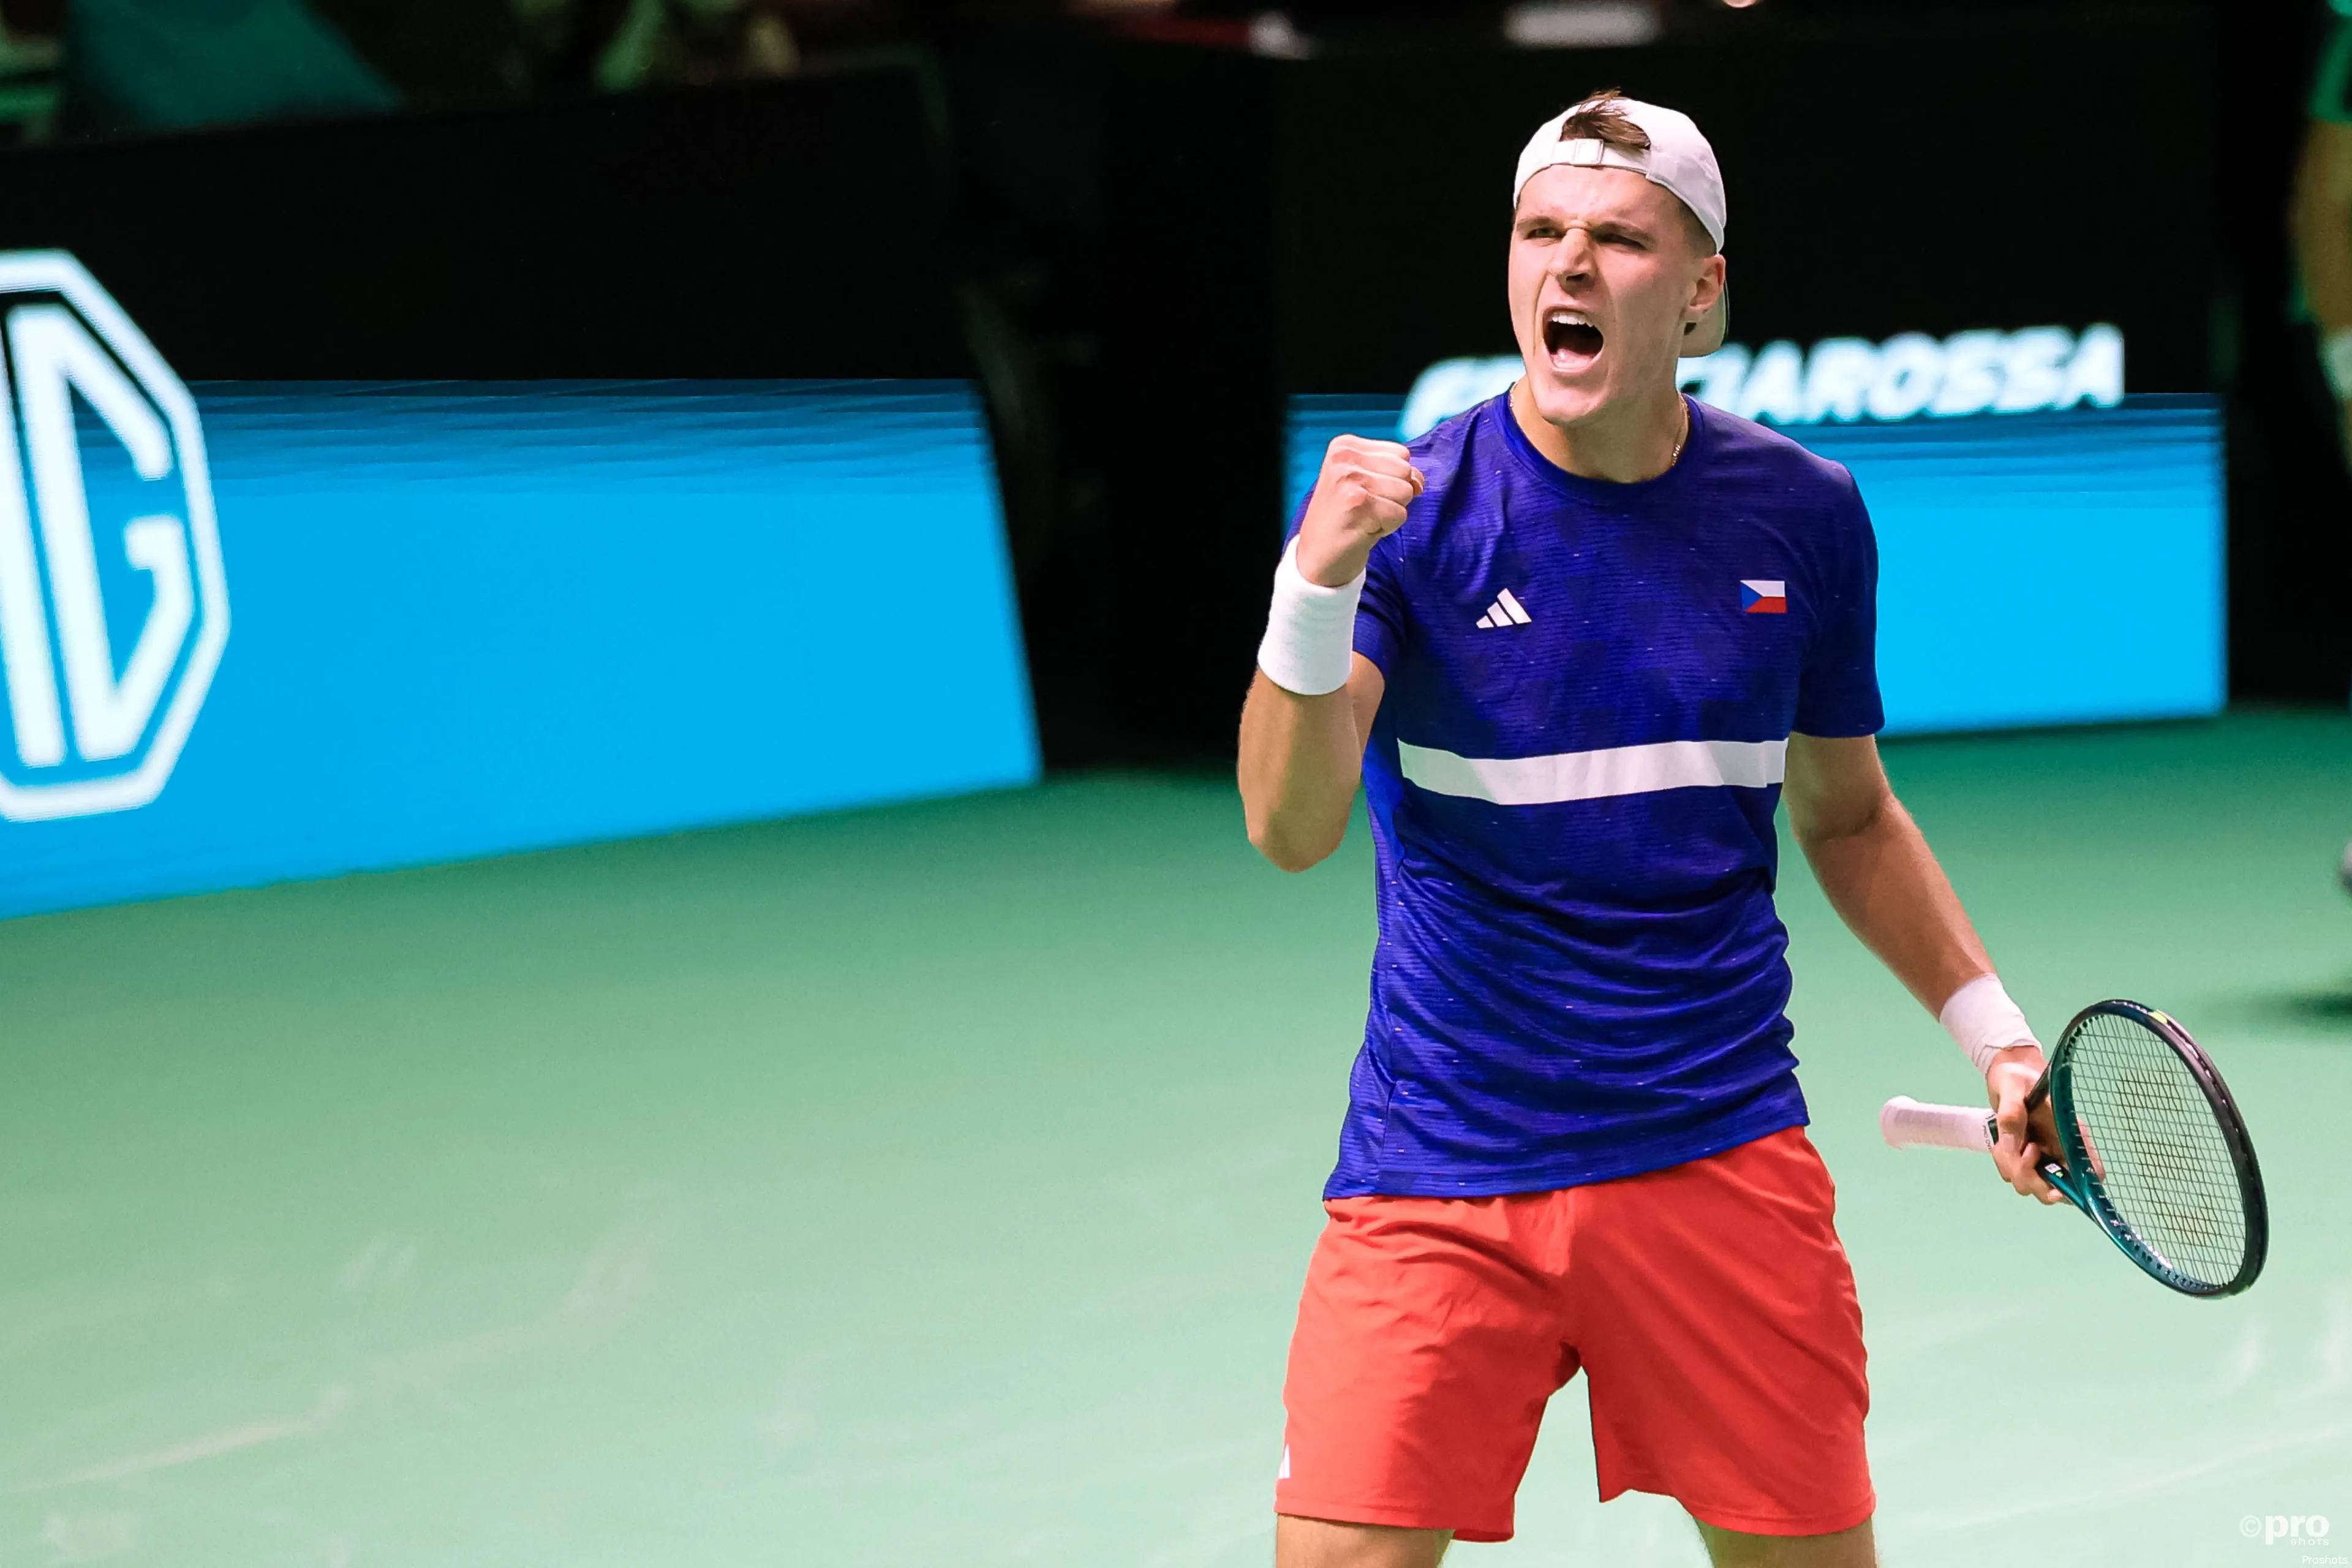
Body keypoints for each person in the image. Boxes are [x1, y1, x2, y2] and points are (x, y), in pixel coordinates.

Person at [1236, 90, 2062, 1568]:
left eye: (1616, 239)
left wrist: (1998, 1036)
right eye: (1538, 231)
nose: (1566, 266)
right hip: (1442, 1160)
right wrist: (1312, 589)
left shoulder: (1801, 514)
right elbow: (1289, 826)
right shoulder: (1417, 516)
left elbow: (1852, 816)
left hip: (1715, 1150)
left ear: (1699, 293)